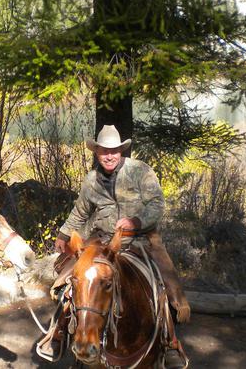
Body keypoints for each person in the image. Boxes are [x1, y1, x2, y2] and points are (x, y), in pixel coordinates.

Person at [48, 124, 190, 369]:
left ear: (121, 151)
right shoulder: (91, 180)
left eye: (114, 150)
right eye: (104, 151)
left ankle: (168, 341)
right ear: (97, 152)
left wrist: (137, 221)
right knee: (70, 280)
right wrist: (62, 233)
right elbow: (80, 212)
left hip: (139, 239)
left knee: (164, 282)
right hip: (102, 240)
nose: (109, 155)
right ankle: (59, 332)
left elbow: (157, 204)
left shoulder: (140, 171)